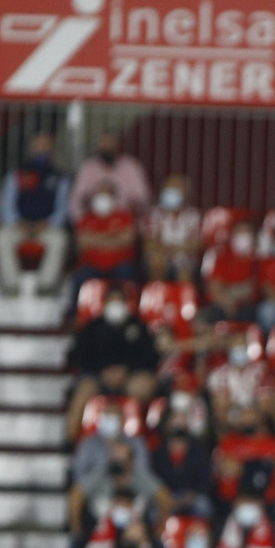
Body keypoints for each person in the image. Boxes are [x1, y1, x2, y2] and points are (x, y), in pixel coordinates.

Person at [65, 286, 159, 442]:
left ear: (126, 304)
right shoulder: (92, 328)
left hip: (130, 378)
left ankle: (142, 437)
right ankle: (70, 441)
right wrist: (103, 371)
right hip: (98, 378)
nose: (116, 305)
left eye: (119, 301)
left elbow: (149, 357)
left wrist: (126, 370)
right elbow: (80, 357)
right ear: (105, 303)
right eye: (112, 301)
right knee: (82, 391)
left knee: (145, 385)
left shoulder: (139, 327)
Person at [0, 133, 71, 297]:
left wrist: (49, 223)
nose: (41, 150)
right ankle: (11, 284)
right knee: (1, 237)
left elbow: (63, 208)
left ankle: (45, 285)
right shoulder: (17, 174)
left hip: (46, 227)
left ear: (51, 150)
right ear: (31, 149)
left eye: (45, 146)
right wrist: (16, 221)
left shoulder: (60, 177)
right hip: (20, 226)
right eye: (38, 146)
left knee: (60, 240)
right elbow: (6, 205)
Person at [69, 183, 139, 309]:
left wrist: (94, 239)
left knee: (128, 274)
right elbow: (81, 242)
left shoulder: (124, 217)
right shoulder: (86, 218)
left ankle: (131, 312)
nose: (102, 198)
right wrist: (112, 236)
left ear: (114, 198)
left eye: (106, 195)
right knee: (79, 277)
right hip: (92, 266)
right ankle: (73, 315)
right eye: (99, 195)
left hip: (119, 265)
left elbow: (127, 240)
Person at [70, 132, 151, 220]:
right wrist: (83, 222)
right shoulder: (88, 167)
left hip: (125, 223)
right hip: (92, 223)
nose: (107, 147)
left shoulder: (131, 166)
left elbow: (142, 198)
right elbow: (76, 200)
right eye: (103, 143)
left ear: (117, 145)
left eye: (110, 143)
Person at [142, 175, 203, 282]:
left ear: (185, 193)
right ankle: (158, 296)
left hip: (184, 258)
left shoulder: (194, 215)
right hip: (160, 255)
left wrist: (176, 250)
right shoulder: (153, 214)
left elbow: (197, 244)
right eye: (167, 189)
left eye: (174, 189)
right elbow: (148, 243)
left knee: (185, 271)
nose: (170, 192)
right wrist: (171, 250)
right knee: (157, 262)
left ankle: (182, 298)